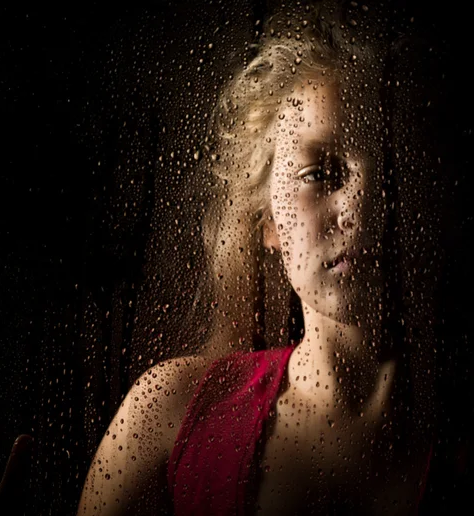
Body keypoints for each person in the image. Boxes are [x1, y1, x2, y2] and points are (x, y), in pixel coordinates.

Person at [78, 2, 443, 514]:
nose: (363, 205)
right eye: (320, 173)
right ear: (268, 220)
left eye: (390, 172)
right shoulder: (169, 415)